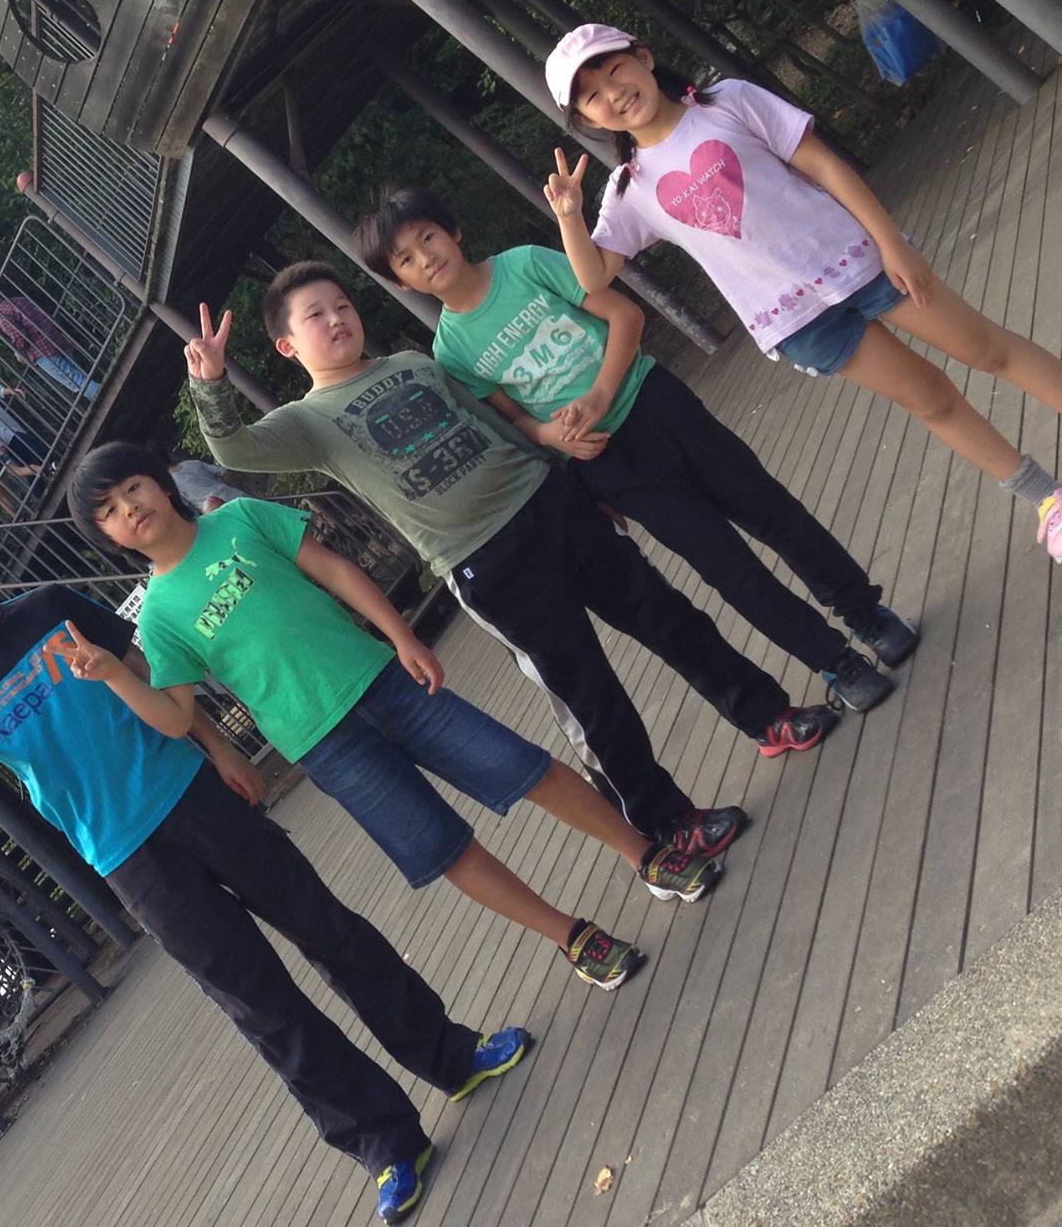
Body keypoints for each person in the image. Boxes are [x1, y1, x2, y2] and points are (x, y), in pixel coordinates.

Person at [0, 524, 533, 1223]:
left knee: (328, 928)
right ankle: (384, 1144)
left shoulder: (48, 607)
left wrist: (218, 748)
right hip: (128, 856)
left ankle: (452, 1056)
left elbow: (152, 671)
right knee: (260, 1004)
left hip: (192, 792)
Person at [72, 442, 716, 991]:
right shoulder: (157, 618)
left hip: (385, 682)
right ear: (108, 537)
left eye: (132, 487)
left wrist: (401, 635)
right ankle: (571, 937)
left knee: (523, 768)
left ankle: (644, 855)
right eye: (109, 511)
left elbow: (334, 569)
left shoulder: (239, 518)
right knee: (442, 846)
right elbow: (174, 718)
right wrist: (114, 676)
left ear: (161, 483)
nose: (129, 507)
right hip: (323, 743)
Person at [185, 264, 779, 857]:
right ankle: (669, 821)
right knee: (590, 695)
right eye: (316, 315)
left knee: (670, 618)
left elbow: (494, 426)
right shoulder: (305, 422)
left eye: (342, 304)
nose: (338, 319)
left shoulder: (413, 363)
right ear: (288, 346)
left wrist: (575, 484)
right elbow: (235, 449)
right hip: (485, 561)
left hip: (551, 503)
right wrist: (210, 382)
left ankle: (767, 715)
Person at [356, 185, 915, 723]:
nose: (425, 258)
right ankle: (834, 661)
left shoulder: (525, 264)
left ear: (453, 231)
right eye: (405, 259)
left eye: (427, 237)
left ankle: (864, 612)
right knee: (724, 564)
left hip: (655, 403)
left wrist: (601, 394)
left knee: (770, 509)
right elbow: (516, 420)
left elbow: (626, 316)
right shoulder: (451, 351)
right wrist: (551, 436)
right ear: (399, 281)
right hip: (607, 462)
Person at [545, 23, 1062, 563]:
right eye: (592, 96)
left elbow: (823, 164)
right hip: (798, 321)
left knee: (986, 349)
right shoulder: (629, 189)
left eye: (615, 69)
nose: (613, 92)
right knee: (929, 399)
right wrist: (569, 217)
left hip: (860, 263)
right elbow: (594, 277)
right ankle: (1046, 498)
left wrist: (891, 243)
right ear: (587, 120)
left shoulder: (728, 102)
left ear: (645, 58)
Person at [0, 279, 102, 400]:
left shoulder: (0, 314)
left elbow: (19, 336)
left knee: (76, 382)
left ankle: (105, 395)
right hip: (55, 338)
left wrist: (19, 353)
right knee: (80, 376)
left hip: (42, 351)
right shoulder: (17, 300)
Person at [167, 455, 246, 512]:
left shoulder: (173, 485)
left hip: (216, 512)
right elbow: (223, 472)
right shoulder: (191, 463)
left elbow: (190, 510)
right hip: (233, 494)